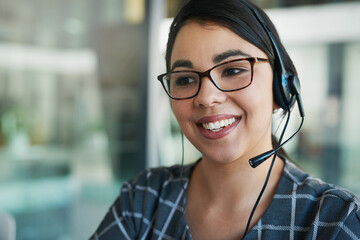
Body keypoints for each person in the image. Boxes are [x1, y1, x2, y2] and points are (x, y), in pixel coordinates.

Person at [90, 0, 360, 239]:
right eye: (185, 79)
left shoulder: (335, 220)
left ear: (282, 87)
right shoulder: (144, 199)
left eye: (233, 70)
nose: (207, 98)